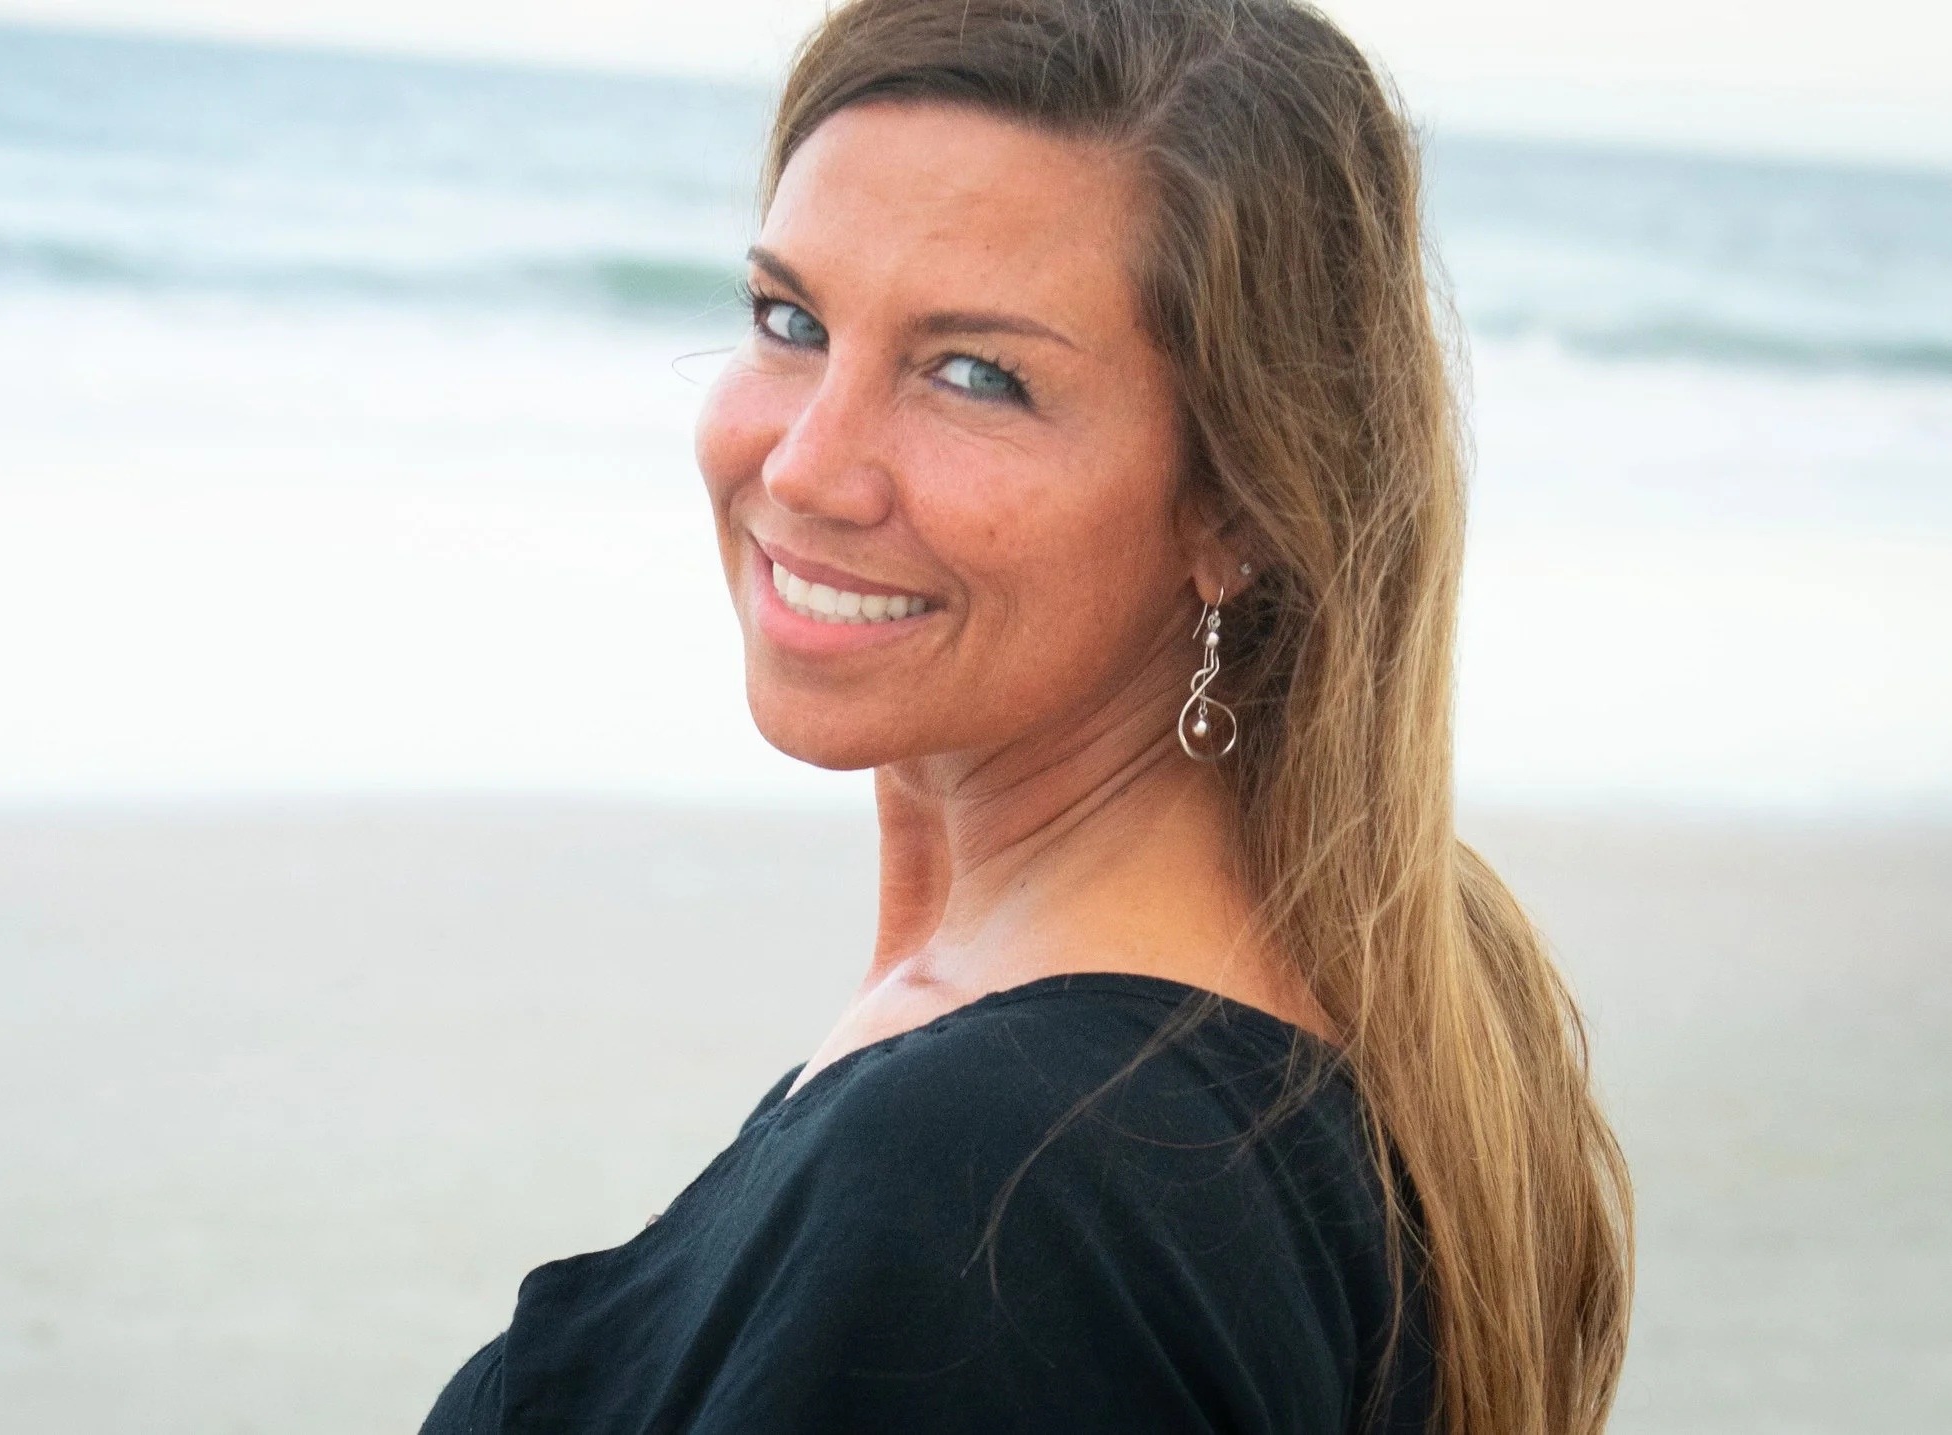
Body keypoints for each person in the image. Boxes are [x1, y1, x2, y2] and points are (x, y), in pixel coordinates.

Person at [421, 1, 1633, 1430]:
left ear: (1241, 500)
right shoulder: (1392, 974)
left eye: (975, 374)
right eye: (790, 320)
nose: (808, 469)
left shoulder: (998, 1185)